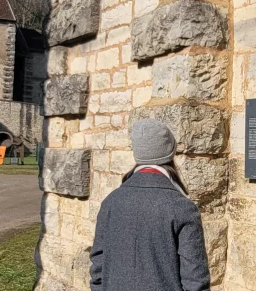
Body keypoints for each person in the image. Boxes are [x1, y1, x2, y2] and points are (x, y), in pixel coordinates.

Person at [90, 119, 210, 291]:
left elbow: (97, 268)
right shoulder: (182, 207)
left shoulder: (110, 202)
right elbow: (196, 282)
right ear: (170, 153)